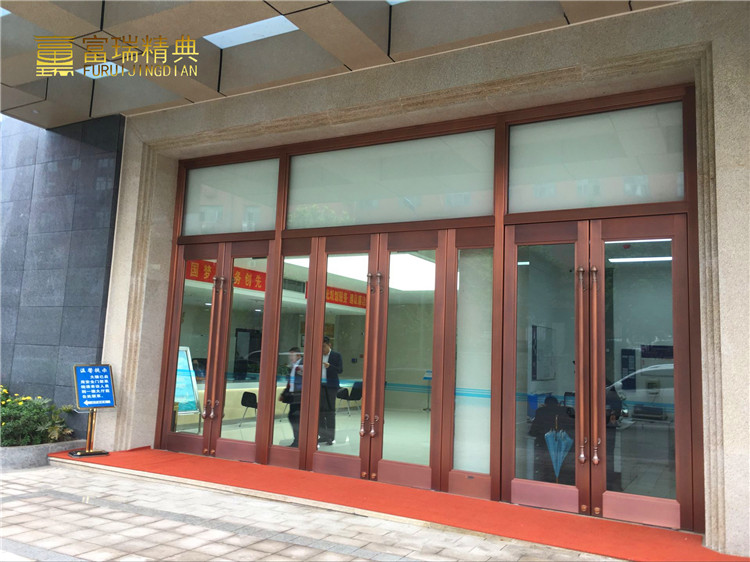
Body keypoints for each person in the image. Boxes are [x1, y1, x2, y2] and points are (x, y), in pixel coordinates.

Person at [529, 395, 575, 485]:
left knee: (547, 468)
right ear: (557, 404)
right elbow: (574, 427)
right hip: (566, 446)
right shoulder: (567, 410)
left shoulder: (541, 411)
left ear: (545, 404)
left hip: (545, 446)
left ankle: (550, 484)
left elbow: (533, 431)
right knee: (563, 467)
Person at [318, 336, 342, 445]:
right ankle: (323, 435)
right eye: (320, 347)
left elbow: (340, 370)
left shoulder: (336, 355)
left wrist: (330, 366)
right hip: (319, 386)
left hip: (331, 387)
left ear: (329, 345)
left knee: (330, 412)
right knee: (319, 412)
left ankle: (330, 437)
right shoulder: (318, 355)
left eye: (324, 346)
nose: (322, 349)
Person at [286, 347, 303, 447]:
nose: (290, 357)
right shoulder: (292, 365)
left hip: (300, 395)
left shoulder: (303, 364)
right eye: (290, 355)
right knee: (293, 417)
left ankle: (298, 440)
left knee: (295, 417)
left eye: (292, 355)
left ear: (298, 355)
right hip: (293, 394)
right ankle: (297, 439)